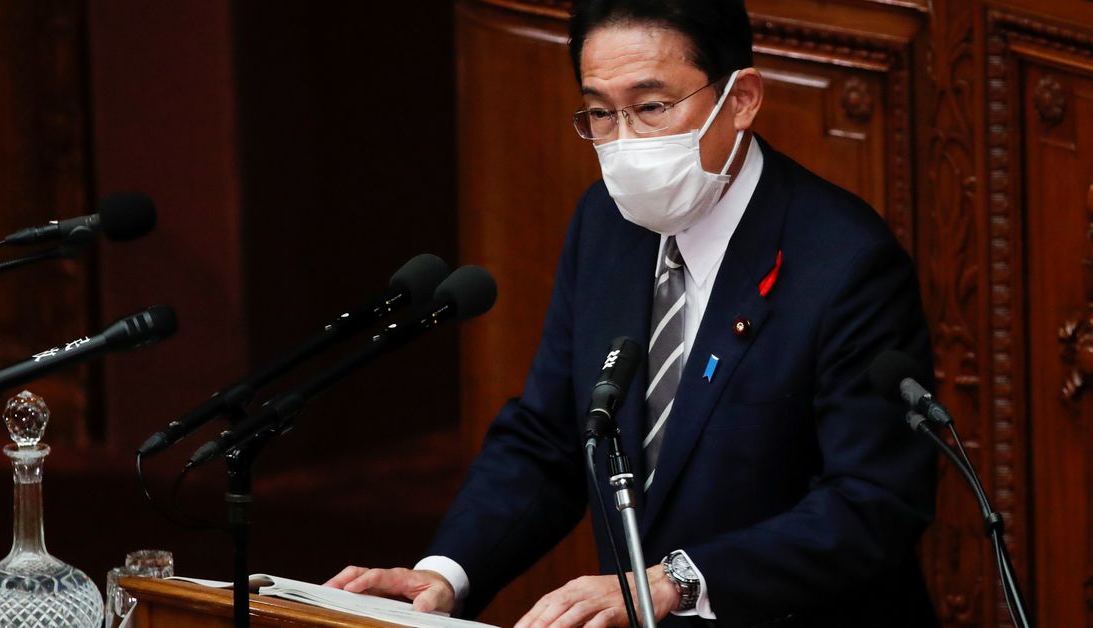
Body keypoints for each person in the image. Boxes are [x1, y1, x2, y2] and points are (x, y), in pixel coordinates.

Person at [326, 1, 937, 626]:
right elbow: (552, 439)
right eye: (600, 113)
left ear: (741, 99)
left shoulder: (845, 262)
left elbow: (874, 499)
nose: (624, 141)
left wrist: (680, 581)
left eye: (650, 107)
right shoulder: (606, 224)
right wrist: (446, 572)